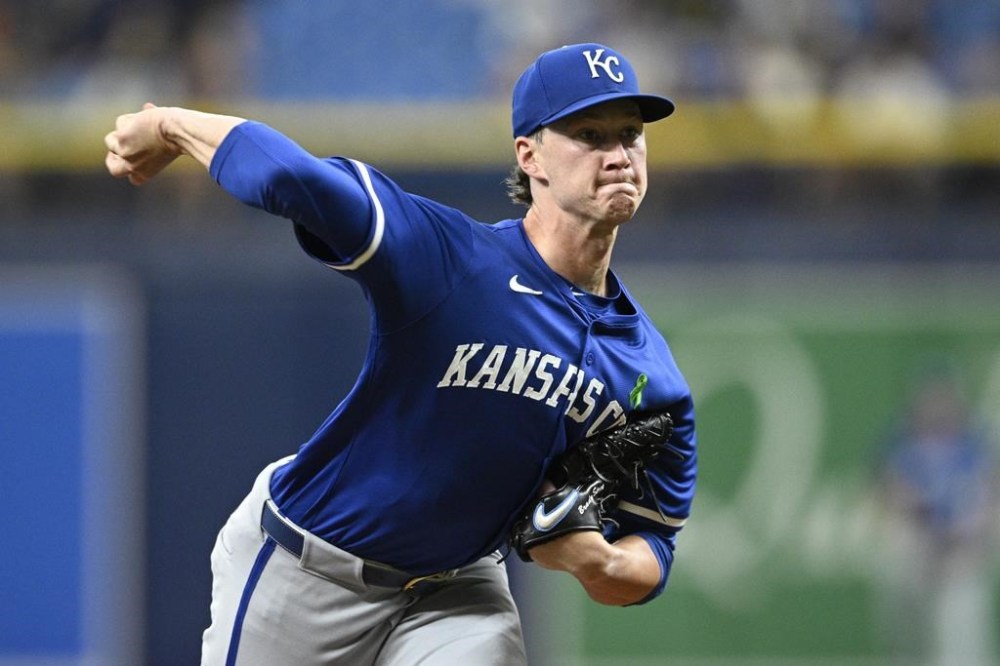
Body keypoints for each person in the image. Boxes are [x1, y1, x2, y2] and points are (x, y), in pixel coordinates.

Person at [105, 42, 698, 665]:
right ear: (531, 156)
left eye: (631, 135)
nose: (617, 155)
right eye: (588, 134)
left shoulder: (648, 375)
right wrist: (170, 123)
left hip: (457, 589)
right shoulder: (451, 262)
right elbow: (296, 180)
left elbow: (653, 548)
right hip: (311, 569)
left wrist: (598, 560)